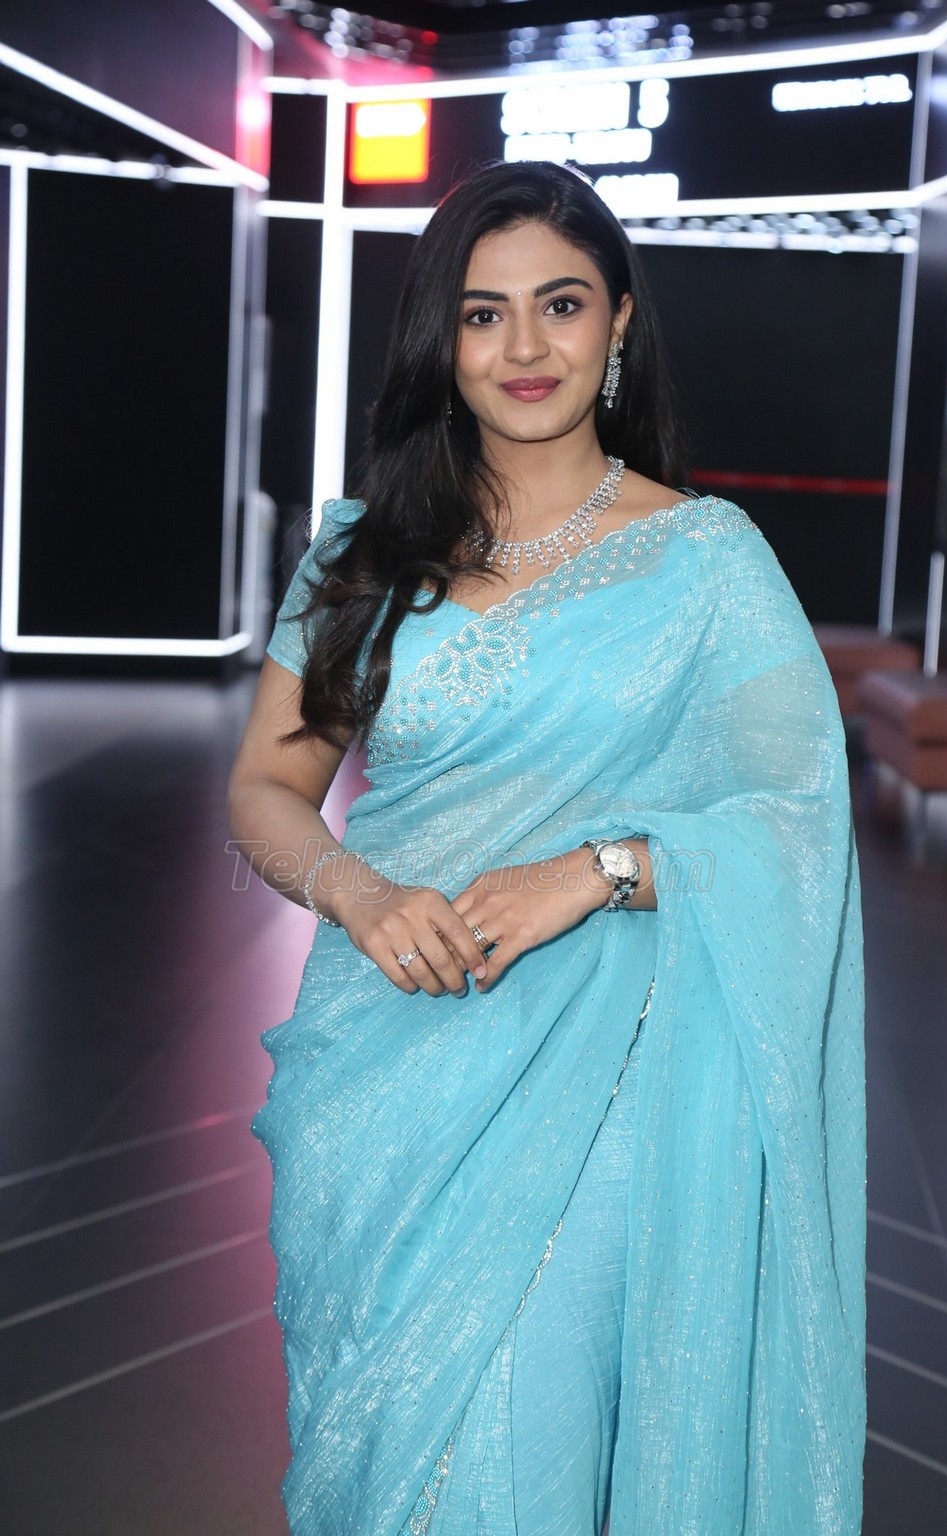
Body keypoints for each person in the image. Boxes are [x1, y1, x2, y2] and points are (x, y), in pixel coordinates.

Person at [227, 160, 865, 1536]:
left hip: (603, 1084)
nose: (524, 346)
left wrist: (598, 871)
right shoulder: (364, 550)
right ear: (442, 339)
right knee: (386, 1464)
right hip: (381, 1070)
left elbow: (797, 817)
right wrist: (358, 892)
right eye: (483, 313)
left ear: (619, 321)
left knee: (526, 1450)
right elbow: (268, 789)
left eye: (561, 304)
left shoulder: (708, 560)